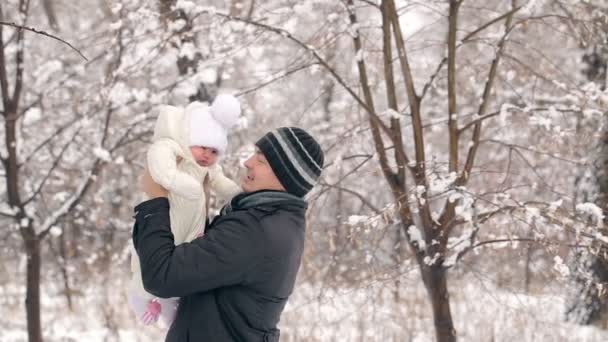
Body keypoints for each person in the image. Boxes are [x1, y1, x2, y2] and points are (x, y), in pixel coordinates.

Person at [132, 127, 324, 341]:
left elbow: (162, 275)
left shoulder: (257, 231)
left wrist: (155, 201)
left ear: (285, 177)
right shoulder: (275, 222)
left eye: (261, 161)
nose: (248, 162)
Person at [128, 94, 243, 326]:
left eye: (214, 151)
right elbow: (161, 169)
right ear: (190, 138)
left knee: (177, 272)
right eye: (203, 147)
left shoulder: (208, 168)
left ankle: (167, 307)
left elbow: (222, 184)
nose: (207, 155)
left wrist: (242, 196)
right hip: (164, 222)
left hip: (189, 232)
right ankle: (141, 298)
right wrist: (188, 186)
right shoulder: (170, 148)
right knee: (148, 261)